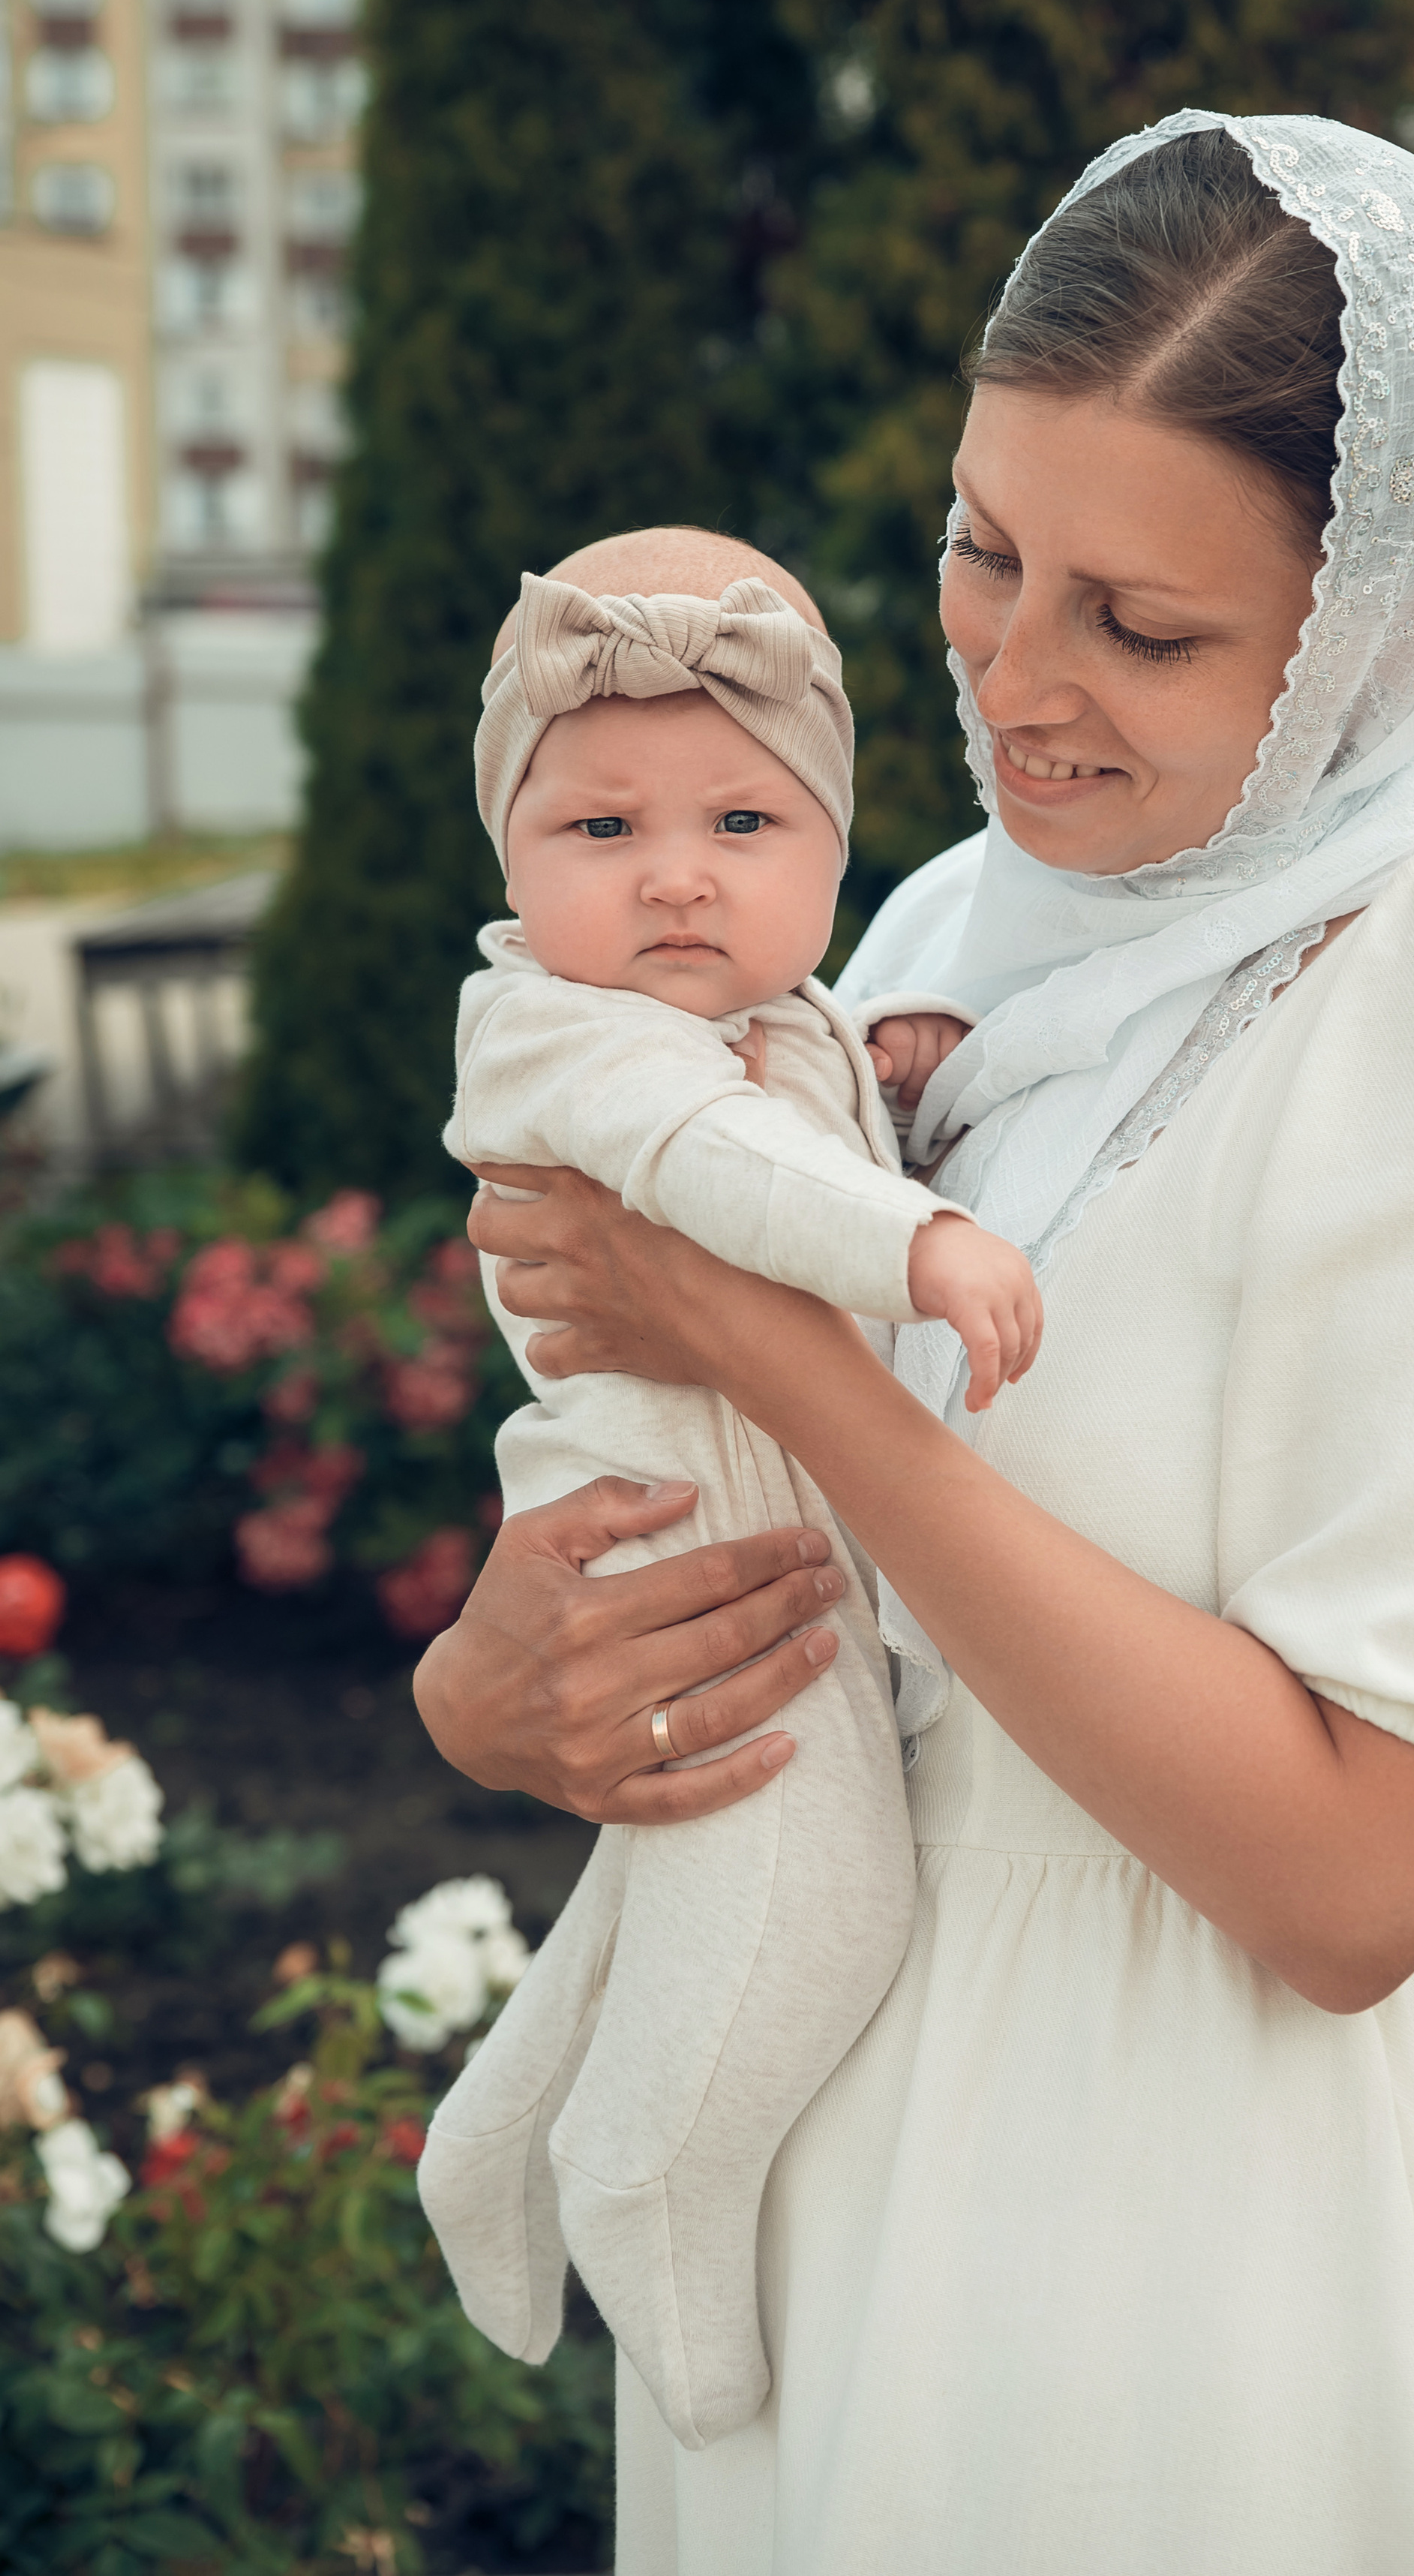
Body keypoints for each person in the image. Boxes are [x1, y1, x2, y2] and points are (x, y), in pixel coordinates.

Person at [418, 111, 1414, 2576]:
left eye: (1140, 626)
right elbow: (718, 1507)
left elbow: (1357, 1879)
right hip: (797, 2165)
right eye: (983, 549)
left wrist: (786, 1352)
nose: (1011, 681)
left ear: (1394, 614)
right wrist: (498, 1689)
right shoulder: (932, 932)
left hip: (1164, 2222)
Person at [419, 526, 1037, 2452]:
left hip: (757, 1532)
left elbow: (800, 1101)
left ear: (831, 854)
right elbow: (721, 1168)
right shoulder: (563, 1033)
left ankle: (495, 2133)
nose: (676, 873)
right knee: (813, 1896)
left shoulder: (789, 1021)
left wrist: (891, 1069)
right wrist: (920, 1228)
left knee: (661, 1894)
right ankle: (646, 2182)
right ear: (514, 866)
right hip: (688, 1546)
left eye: (741, 824)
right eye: (600, 831)